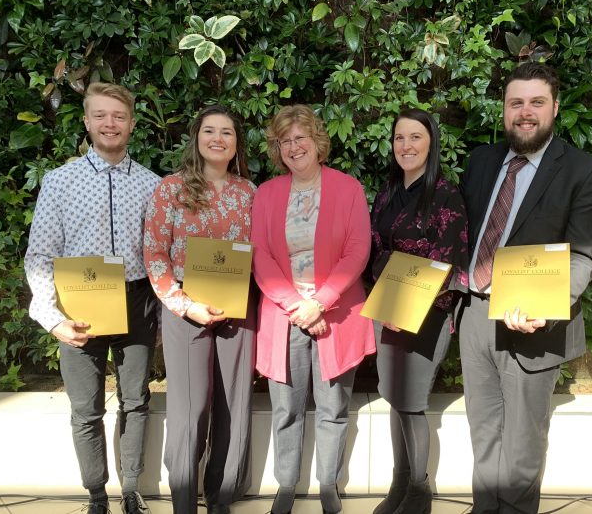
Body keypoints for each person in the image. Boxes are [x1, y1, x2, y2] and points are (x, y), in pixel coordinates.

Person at [457, 62, 592, 513]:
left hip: (533, 324)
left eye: (536, 103)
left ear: (555, 108)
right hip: (475, 316)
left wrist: (554, 304)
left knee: (522, 448)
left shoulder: (584, 171)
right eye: (516, 103)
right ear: (504, 110)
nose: (526, 112)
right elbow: (461, 234)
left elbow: (584, 254)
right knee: (483, 434)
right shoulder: (482, 161)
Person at [25, 82, 159, 514]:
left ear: (132, 124)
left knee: (137, 401)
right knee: (85, 409)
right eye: (100, 115)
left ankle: (131, 491)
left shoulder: (152, 184)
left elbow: (162, 252)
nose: (110, 123)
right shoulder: (60, 182)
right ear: (86, 122)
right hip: (78, 306)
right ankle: (97, 496)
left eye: (119, 116)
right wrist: (52, 318)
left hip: (137, 303)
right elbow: (41, 253)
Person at [251, 104, 375, 514]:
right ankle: (286, 485)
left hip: (335, 315)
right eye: (284, 141)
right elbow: (261, 256)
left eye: (300, 138)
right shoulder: (267, 193)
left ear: (317, 141)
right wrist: (297, 305)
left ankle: (328, 484)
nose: (293, 146)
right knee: (285, 408)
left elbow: (358, 249)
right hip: (283, 313)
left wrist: (319, 302)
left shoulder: (348, 188)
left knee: (333, 407)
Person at [143, 105, 256, 514]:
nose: (218, 138)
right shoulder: (171, 188)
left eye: (227, 132)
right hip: (185, 314)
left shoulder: (249, 193)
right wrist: (185, 304)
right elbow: (154, 253)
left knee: (233, 407)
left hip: (237, 313)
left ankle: (221, 497)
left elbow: (259, 253)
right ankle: (184, 500)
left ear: (236, 143)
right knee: (190, 409)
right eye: (210, 130)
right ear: (196, 137)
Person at [369, 109, 469, 514]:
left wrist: (407, 304)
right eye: (399, 138)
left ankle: (419, 491)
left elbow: (450, 258)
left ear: (431, 142)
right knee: (394, 397)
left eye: (415, 137)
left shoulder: (446, 193)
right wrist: (389, 303)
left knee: (412, 401)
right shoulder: (386, 193)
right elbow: (373, 249)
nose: (406, 146)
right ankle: (398, 483)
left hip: (428, 312)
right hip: (388, 308)